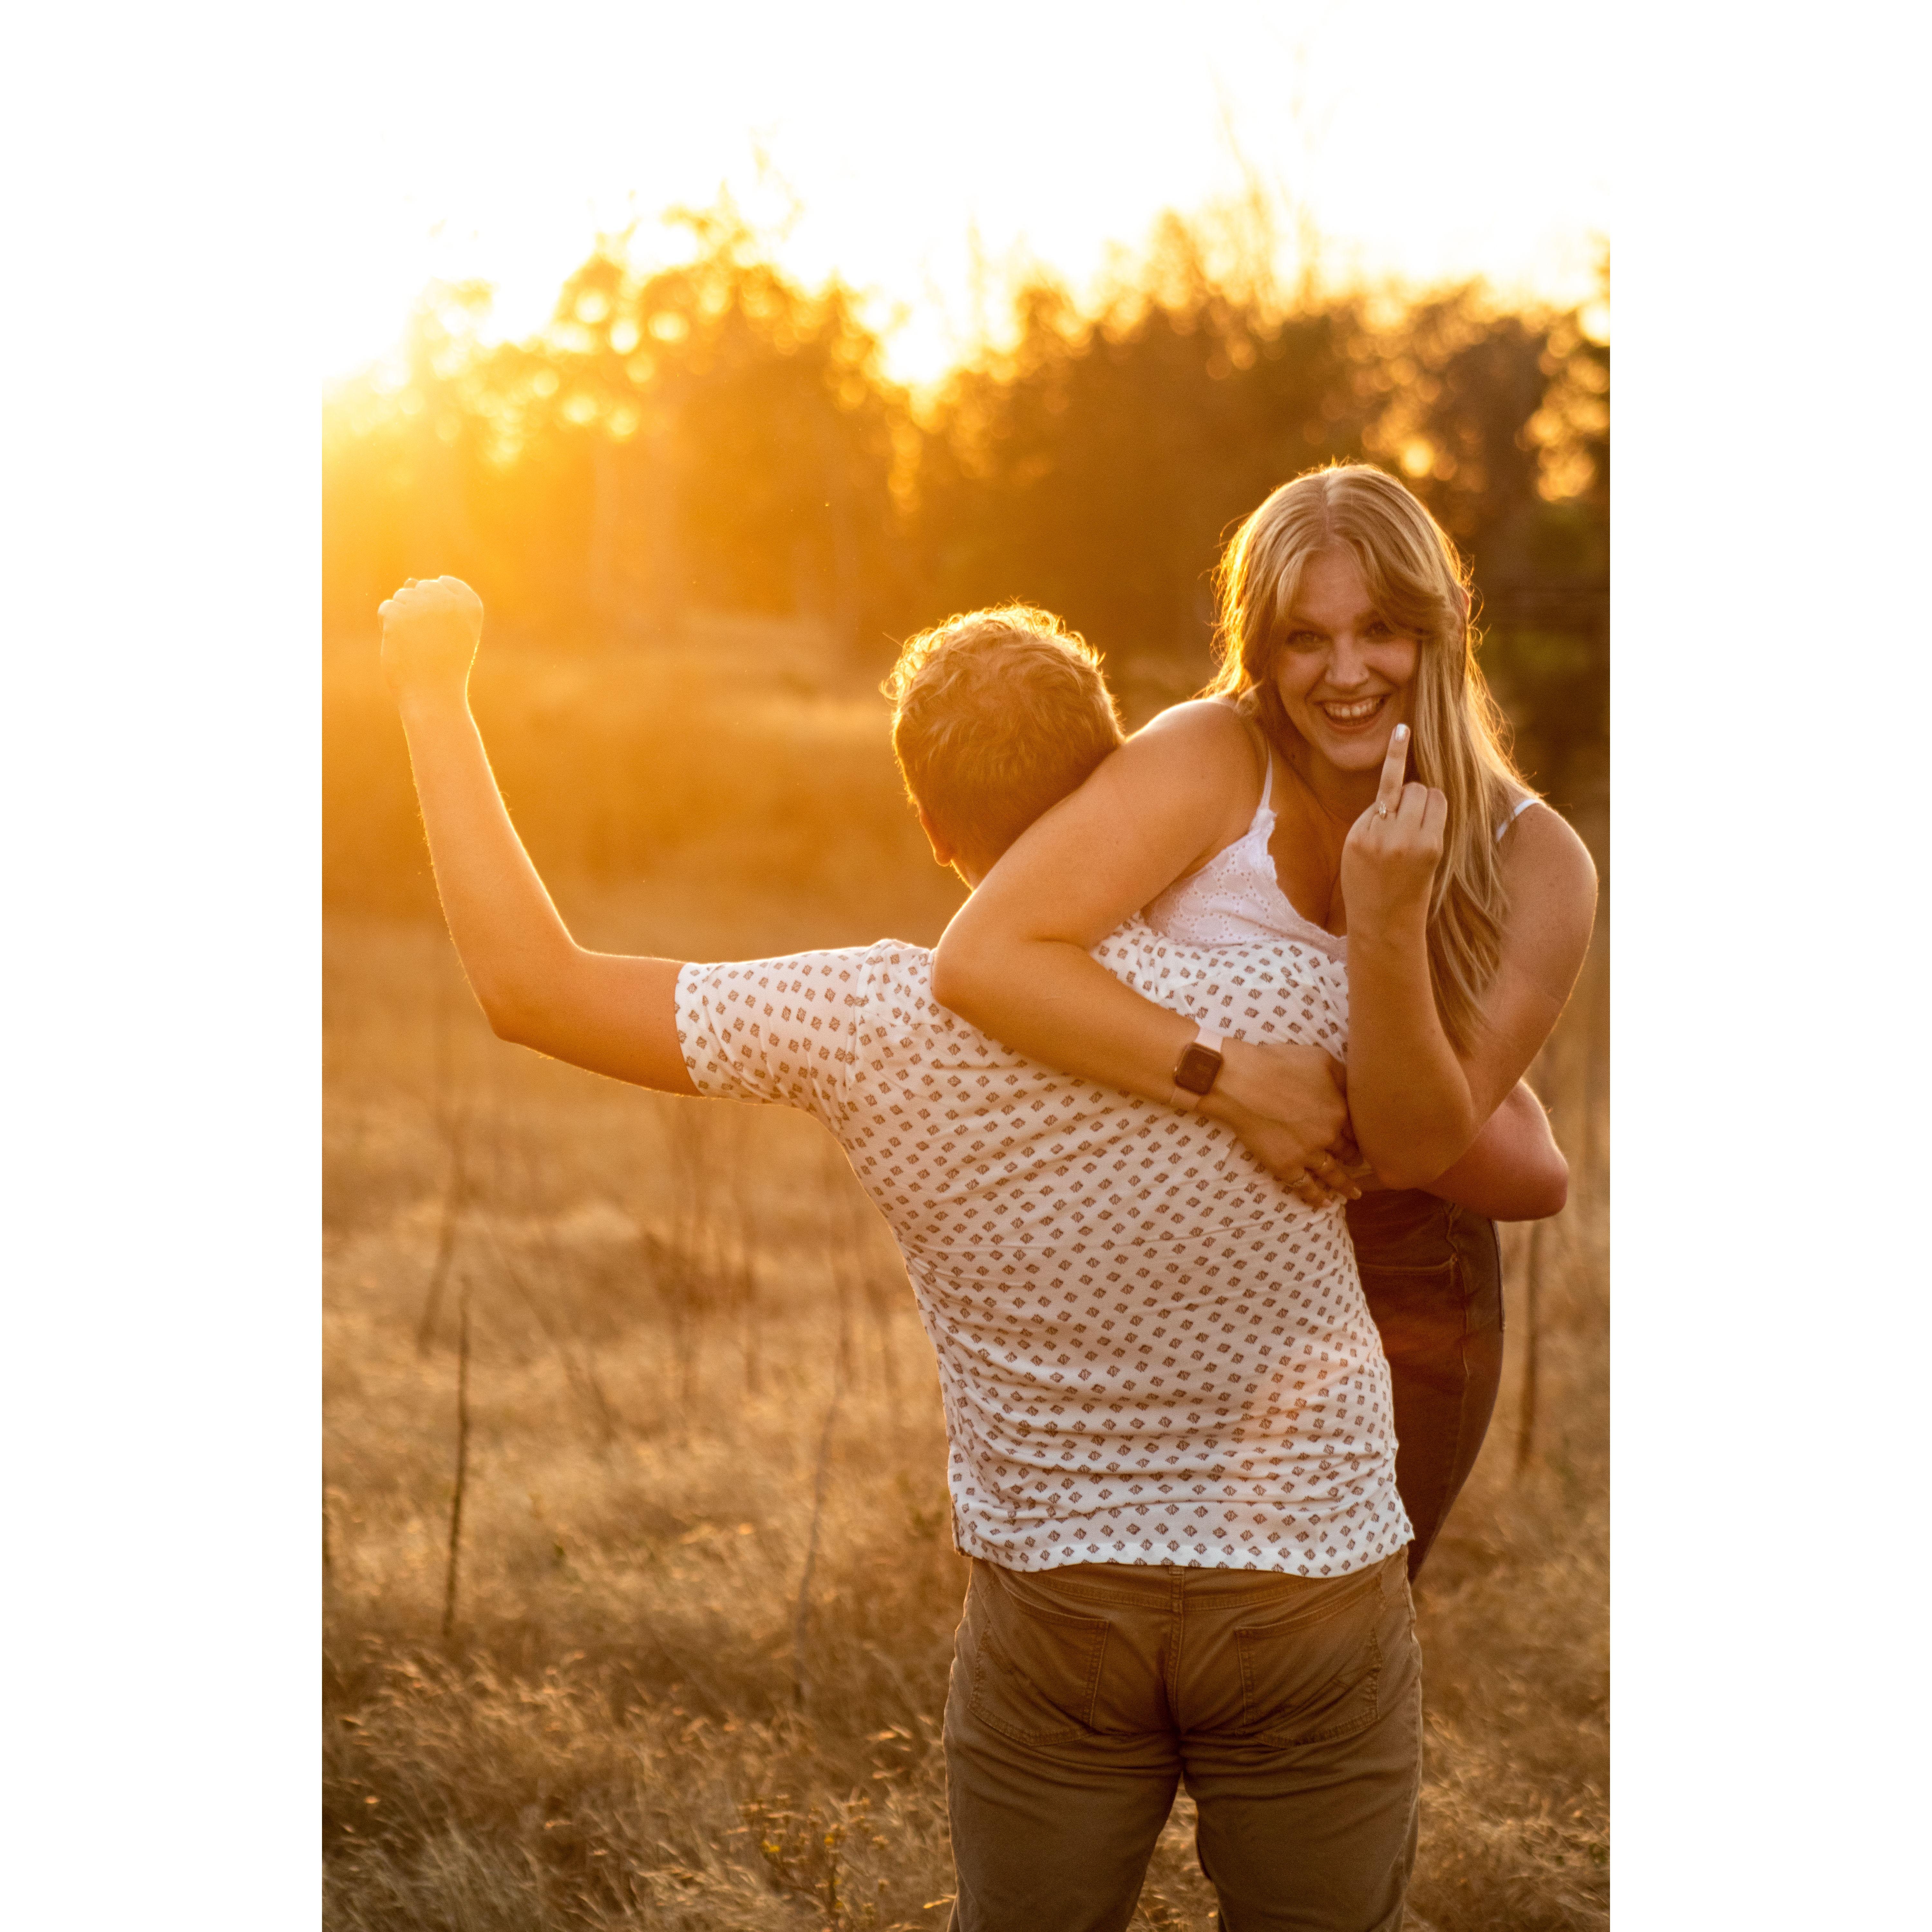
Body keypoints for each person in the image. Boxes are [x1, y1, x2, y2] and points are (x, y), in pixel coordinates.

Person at [375, 581, 1564, 1930]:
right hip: (1310, 1590)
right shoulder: (1298, 994)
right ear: (1110, 786)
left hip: (1058, 1609)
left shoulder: (861, 1018)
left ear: (931, 828)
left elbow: (532, 987)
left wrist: (433, 695)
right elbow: (1510, 1157)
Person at [930, 463, 1600, 1578]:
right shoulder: (1207, 756)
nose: (1345, 675)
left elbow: (1419, 1147)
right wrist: (1224, 1076)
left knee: (1343, 1641)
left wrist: (1387, 924)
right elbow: (983, 958)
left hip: (1405, 1282)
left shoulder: (1539, 866)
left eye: (1380, 629)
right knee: (1154, 1606)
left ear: (1440, 630)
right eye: (1304, 638)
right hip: (1183, 1239)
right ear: (1261, 646)